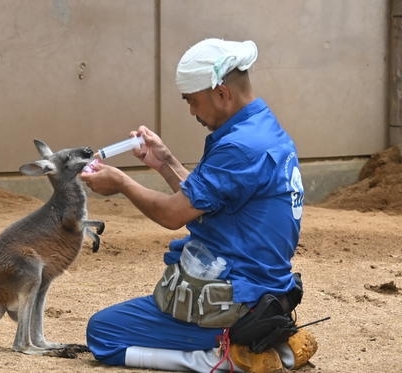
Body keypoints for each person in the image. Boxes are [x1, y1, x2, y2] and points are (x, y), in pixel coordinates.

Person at [80, 38, 317, 373]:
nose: (191, 112)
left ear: (221, 93)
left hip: (236, 297)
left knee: (103, 333)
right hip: (266, 290)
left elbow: (175, 214)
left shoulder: (239, 146)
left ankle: (225, 357)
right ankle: (272, 343)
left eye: (192, 101)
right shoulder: (261, 129)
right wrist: (164, 162)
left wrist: (121, 183)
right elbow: (209, 200)